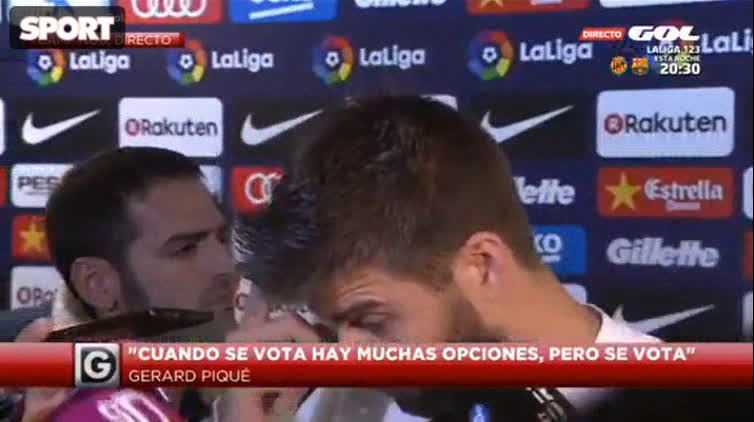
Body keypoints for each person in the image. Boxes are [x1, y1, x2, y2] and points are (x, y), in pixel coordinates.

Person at [222, 95, 661, 422]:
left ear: (482, 266)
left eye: (371, 321)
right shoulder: (341, 405)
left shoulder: (668, 404)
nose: (350, 359)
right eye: (334, 328)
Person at [6, 146, 238, 422]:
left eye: (223, 239)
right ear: (98, 285)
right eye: (185, 249)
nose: (227, 266)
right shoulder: (100, 410)